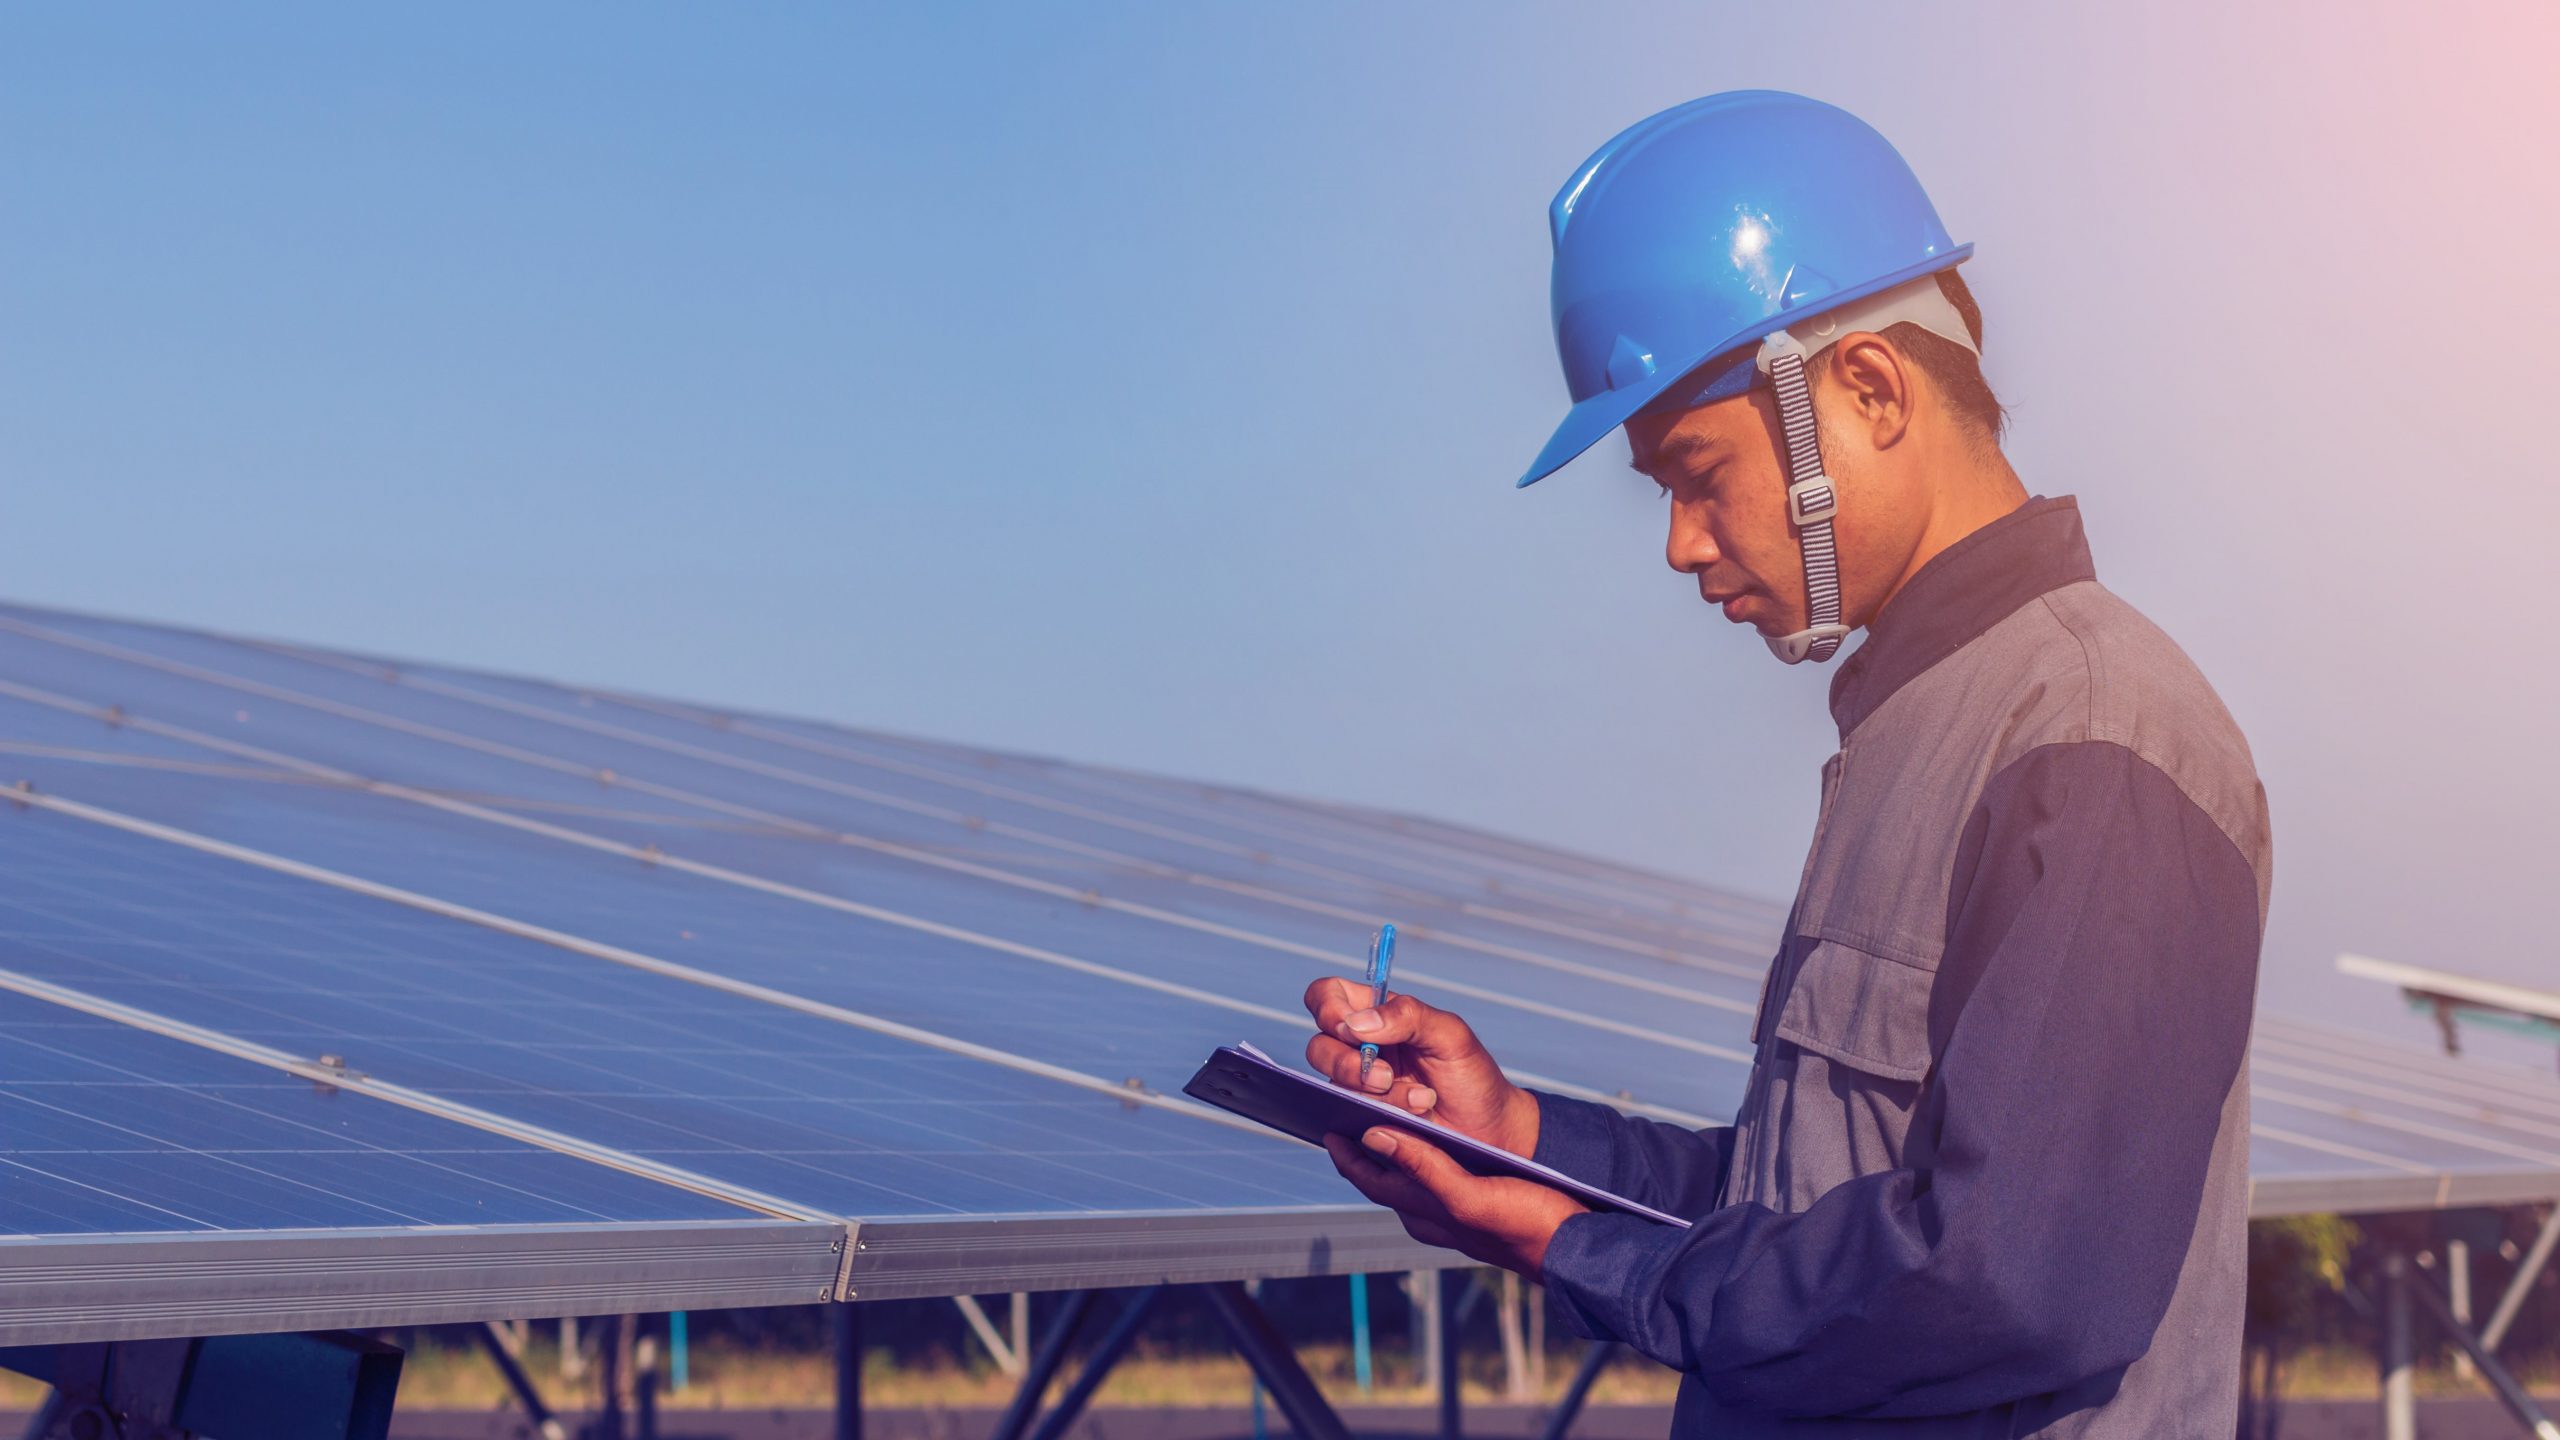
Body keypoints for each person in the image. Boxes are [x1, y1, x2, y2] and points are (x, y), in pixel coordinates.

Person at [1302, 91, 2271, 1437]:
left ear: (1868, 392)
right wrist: (1522, 1137)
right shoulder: (1921, 725)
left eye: (1698, 475)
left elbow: (2005, 1279)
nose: (1682, 545)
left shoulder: (2092, 736)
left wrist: (1572, 1250)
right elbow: (1811, 1221)